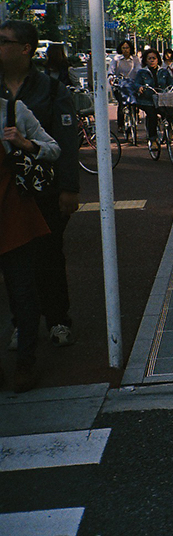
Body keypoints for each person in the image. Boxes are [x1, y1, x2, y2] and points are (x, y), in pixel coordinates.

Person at [0, 20, 79, 351]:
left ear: (25, 48)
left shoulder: (50, 88)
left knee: (49, 256)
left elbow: (65, 140)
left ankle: (58, 319)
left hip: (42, 189)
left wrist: (69, 188)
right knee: (15, 262)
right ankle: (23, 324)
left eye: (4, 41)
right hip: (6, 194)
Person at [0, 95, 61, 392]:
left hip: (14, 216)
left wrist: (25, 144)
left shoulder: (12, 110)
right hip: (13, 219)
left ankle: (25, 362)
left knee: (24, 293)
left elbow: (53, 149)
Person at [129, 48, 173, 144]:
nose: (152, 60)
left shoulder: (164, 71)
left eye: (154, 58)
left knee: (168, 113)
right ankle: (153, 139)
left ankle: (170, 131)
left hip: (161, 99)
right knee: (152, 116)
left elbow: (171, 82)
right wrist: (140, 88)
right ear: (146, 60)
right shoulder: (142, 72)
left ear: (158, 59)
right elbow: (136, 83)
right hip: (147, 100)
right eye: (149, 58)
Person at [110, 40, 141, 132]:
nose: (125, 50)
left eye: (127, 48)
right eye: (123, 48)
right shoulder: (116, 59)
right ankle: (121, 125)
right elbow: (111, 72)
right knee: (121, 104)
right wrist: (111, 79)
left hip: (132, 85)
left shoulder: (135, 59)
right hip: (120, 85)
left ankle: (135, 117)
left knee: (135, 103)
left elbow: (139, 70)